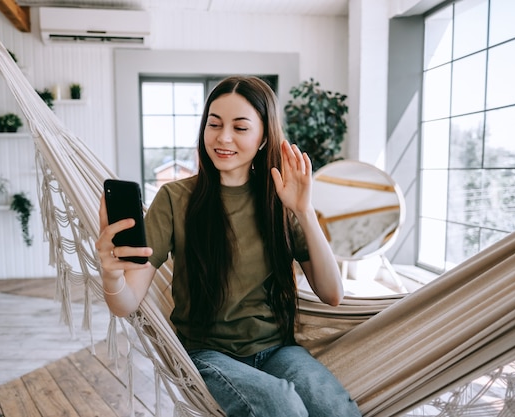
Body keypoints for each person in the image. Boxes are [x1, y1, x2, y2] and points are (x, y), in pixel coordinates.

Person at [96, 75, 361, 417]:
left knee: (336, 410)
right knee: (282, 407)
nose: (223, 137)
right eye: (214, 124)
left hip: (278, 350)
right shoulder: (176, 199)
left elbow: (332, 294)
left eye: (240, 127)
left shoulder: (280, 201)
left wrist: (304, 211)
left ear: (264, 136)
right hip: (207, 354)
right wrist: (111, 274)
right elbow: (126, 303)